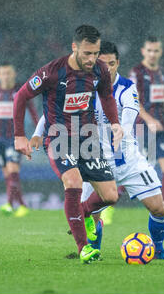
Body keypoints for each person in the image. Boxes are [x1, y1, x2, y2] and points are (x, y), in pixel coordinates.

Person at [31, 41, 164, 260]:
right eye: (103, 63)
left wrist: (122, 130)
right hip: (94, 159)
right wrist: (36, 132)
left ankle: (158, 250)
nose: (107, 68)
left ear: (118, 63)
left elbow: (130, 110)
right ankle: (93, 251)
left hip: (127, 159)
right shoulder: (81, 84)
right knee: (94, 216)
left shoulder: (127, 87)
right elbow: (54, 110)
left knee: (159, 208)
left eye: (111, 63)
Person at [13, 25, 123, 264]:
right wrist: (20, 135)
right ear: (74, 47)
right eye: (87, 53)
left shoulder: (100, 70)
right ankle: (84, 247)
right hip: (59, 137)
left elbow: (106, 96)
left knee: (111, 196)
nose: (92, 59)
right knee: (73, 182)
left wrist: (115, 123)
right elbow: (21, 96)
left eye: (95, 53)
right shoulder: (52, 72)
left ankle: (81, 214)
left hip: (89, 138)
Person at [128, 36, 164, 225]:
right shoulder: (136, 72)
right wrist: (149, 119)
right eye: (149, 50)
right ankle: (106, 208)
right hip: (142, 126)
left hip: (161, 127)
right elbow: (133, 100)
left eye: (156, 51)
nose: (152, 54)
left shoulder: (162, 73)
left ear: (160, 52)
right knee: (131, 168)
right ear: (143, 51)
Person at [0, 62, 39, 217]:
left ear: (14, 74)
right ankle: (22, 205)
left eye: (8, 73)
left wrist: (39, 129)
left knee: (13, 170)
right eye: (3, 73)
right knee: (7, 175)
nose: (5, 76)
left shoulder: (20, 91)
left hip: (15, 137)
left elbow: (32, 110)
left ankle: (10, 204)